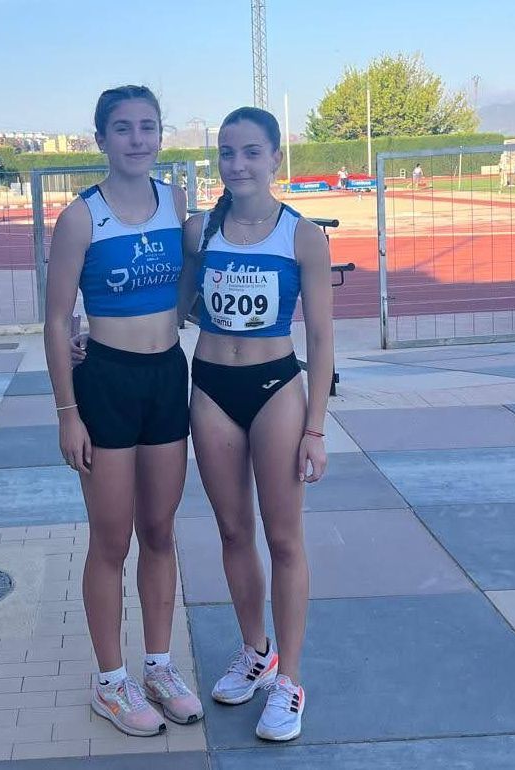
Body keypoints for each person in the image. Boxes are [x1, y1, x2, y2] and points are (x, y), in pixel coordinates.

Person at [43, 85, 203, 738]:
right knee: (112, 539)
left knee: (160, 531)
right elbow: (56, 320)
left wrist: (184, 311)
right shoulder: (80, 218)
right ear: (101, 138)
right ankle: (110, 683)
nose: (137, 139)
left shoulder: (176, 202)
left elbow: (191, 277)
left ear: (160, 135)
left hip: (166, 376)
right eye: (123, 128)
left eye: (148, 127)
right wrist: (67, 412)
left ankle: (158, 667)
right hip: (105, 382)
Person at [180, 107, 334, 741]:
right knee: (233, 530)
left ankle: (290, 679)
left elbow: (321, 338)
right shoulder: (199, 231)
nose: (237, 164)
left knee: (284, 537)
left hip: (276, 389)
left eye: (250, 152)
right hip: (212, 387)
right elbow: (173, 308)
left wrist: (315, 428)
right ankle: (257, 650)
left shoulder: (303, 236)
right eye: (227, 152)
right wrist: (95, 340)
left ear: (275, 158)